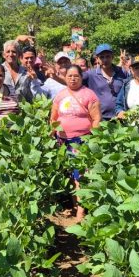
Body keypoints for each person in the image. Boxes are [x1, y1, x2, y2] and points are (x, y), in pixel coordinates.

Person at [50, 65, 101, 221]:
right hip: (63, 140)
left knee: (79, 175)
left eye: (76, 76)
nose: (72, 78)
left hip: (81, 140)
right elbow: (53, 117)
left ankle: (81, 211)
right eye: (70, 76)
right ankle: (74, 204)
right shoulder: (60, 95)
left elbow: (97, 119)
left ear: (81, 77)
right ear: (65, 78)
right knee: (70, 175)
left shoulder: (89, 95)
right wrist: (52, 132)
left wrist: (92, 139)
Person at [82, 44, 128, 120]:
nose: (105, 60)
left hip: (121, 117)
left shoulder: (122, 72)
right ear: (97, 59)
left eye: (108, 56)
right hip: (100, 119)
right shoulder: (91, 74)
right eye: (102, 57)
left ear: (112, 57)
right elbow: (73, 81)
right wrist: (56, 77)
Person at [115, 54, 139, 119]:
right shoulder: (126, 85)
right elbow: (119, 104)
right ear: (132, 70)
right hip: (131, 127)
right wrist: (120, 112)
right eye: (136, 68)